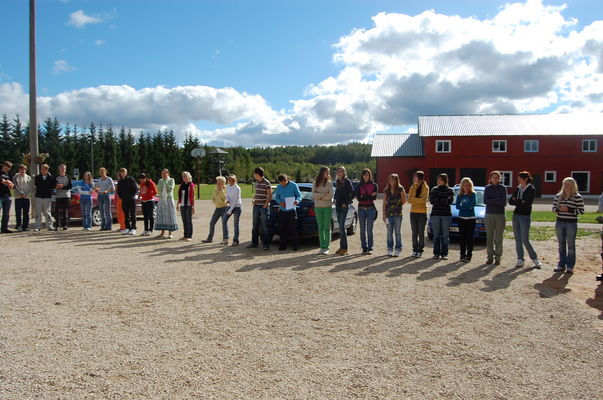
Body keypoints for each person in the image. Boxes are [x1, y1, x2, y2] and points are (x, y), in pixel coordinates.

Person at [509, 171, 542, 269]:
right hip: (516, 215)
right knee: (517, 239)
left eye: (520, 178)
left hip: (525, 216)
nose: (518, 180)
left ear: (525, 179)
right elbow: (511, 201)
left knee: (525, 239)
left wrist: (518, 201)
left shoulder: (531, 188)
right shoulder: (518, 188)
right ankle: (520, 259)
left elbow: (527, 203)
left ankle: (535, 259)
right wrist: (520, 201)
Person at [552, 177, 585, 274]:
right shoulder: (558, 196)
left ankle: (570, 266)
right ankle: (561, 264)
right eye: (564, 184)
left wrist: (569, 210)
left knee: (570, 245)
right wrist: (559, 209)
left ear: (572, 185)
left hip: (571, 222)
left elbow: (581, 211)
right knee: (561, 244)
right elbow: (553, 209)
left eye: (568, 184)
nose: (566, 186)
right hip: (560, 222)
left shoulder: (577, 197)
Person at [273, 174, 302, 251]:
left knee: (293, 229)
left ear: (286, 180)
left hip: (292, 210)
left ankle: (296, 246)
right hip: (282, 210)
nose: (282, 184)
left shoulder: (294, 185)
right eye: (281, 183)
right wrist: (280, 202)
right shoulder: (278, 187)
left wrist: (297, 200)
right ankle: (283, 245)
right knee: (282, 229)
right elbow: (276, 197)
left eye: (284, 182)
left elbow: (299, 195)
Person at [484, 170, 507, 265]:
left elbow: (503, 202)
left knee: (498, 237)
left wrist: (492, 200)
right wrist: (496, 200)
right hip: (489, 214)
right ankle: (490, 257)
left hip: (500, 214)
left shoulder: (503, 188)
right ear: (490, 178)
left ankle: (498, 257)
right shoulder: (487, 188)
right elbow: (486, 201)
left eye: (497, 177)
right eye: (493, 177)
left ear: (499, 178)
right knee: (489, 237)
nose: (495, 179)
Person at [429, 173, 454, 260]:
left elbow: (449, 201)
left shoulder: (450, 190)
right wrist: (443, 199)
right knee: (436, 235)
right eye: (438, 179)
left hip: (446, 215)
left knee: (445, 236)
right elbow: (432, 201)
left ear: (445, 180)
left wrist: (439, 199)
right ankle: (436, 253)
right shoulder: (434, 189)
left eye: (440, 179)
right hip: (435, 214)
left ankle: (444, 254)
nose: (439, 181)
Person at [247, 167, 272, 250]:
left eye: (254, 174)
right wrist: (253, 200)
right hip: (256, 206)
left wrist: (266, 204)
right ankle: (254, 243)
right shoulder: (257, 183)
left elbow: (270, 195)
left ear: (257, 174)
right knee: (255, 226)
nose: (254, 175)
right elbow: (256, 194)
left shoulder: (267, 182)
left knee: (264, 226)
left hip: (263, 207)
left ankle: (266, 244)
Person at [382, 173, 406, 257]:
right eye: (390, 179)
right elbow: (384, 203)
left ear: (397, 180)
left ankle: (398, 248)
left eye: (393, 179)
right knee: (389, 232)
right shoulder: (386, 190)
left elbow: (404, 200)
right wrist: (384, 215)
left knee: (397, 232)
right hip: (388, 215)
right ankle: (390, 248)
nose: (391, 181)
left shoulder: (400, 189)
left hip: (398, 215)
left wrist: (397, 207)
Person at [355, 168, 378, 255]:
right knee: (362, 230)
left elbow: (374, 198)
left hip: (371, 209)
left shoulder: (374, 185)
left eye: (367, 174)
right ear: (362, 176)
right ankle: (364, 248)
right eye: (364, 174)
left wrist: (364, 196)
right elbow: (358, 198)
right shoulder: (359, 186)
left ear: (370, 175)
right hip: (361, 209)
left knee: (369, 229)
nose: (366, 176)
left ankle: (370, 248)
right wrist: (369, 196)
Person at [312, 166, 334, 255]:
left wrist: (319, 196)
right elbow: (313, 195)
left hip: (327, 207)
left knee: (326, 227)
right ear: (322, 173)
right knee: (320, 228)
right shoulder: (315, 183)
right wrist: (323, 195)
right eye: (326, 172)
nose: (328, 174)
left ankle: (326, 247)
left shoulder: (330, 183)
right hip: (318, 207)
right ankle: (322, 247)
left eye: (328, 172)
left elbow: (330, 195)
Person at [334, 166, 355, 255]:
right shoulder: (338, 181)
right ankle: (342, 247)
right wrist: (334, 199)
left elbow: (353, 193)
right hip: (337, 207)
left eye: (341, 171)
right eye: (338, 171)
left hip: (344, 207)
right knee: (340, 228)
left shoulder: (347, 181)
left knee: (342, 227)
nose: (339, 173)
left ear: (344, 172)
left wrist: (346, 203)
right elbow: (337, 193)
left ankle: (345, 248)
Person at [408, 170, 429, 258]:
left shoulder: (425, 187)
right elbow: (409, 200)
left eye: (415, 177)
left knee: (421, 232)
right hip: (413, 212)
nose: (413, 178)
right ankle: (414, 249)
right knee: (414, 232)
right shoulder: (412, 187)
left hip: (422, 213)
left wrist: (414, 199)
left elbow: (423, 200)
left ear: (420, 178)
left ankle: (420, 250)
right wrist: (416, 199)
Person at [456, 177, 477, 263]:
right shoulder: (459, 195)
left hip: (471, 219)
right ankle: (462, 254)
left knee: (469, 238)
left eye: (468, 185)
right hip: (461, 218)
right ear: (462, 186)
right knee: (462, 238)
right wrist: (466, 206)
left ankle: (469, 255)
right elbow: (457, 206)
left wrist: (464, 205)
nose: (466, 187)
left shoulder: (473, 194)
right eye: (465, 185)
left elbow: (473, 204)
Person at [202, 176, 228, 244]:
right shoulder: (215, 189)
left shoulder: (226, 189)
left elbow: (225, 199)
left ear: (223, 183)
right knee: (212, 223)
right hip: (217, 208)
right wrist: (215, 202)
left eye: (219, 182)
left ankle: (225, 239)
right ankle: (210, 238)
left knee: (224, 223)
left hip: (224, 208)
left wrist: (221, 190)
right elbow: (213, 198)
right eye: (217, 182)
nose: (218, 184)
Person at [155, 168, 178, 239]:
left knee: (169, 215)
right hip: (161, 199)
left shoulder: (171, 180)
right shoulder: (160, 180)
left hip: (169, 199)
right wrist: (163, 182)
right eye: (162, 173)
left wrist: (166, 182)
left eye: (165, 173)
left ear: (168, 174)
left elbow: (170, 188)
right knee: (162, 215)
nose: (164, 175)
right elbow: (159, 188)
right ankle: (162, 233)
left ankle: (170, 233)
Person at [33, 164, 56, 231]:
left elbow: (53, 186)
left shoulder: (51, 177)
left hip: (47, 197)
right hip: (39, 196)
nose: (42, 170)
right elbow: (36, 186)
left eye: (43, 169)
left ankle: (49, 225)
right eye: (41, 169)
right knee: (38, 212)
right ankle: (37, 226)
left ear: (46, 169)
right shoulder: (37, 177)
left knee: (47, 211)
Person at [116, 168, 138, 235]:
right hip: (124, 200)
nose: (123, 174)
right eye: (122, 172)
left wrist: (132, 196)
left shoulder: (131, 179)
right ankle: (127, 228)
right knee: (126, 214)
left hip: (132, 200)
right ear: (120, 173)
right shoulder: (119, 182)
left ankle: (133, 228)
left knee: (133, 214)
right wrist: (122, 197)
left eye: (125, 172)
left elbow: (135, 189)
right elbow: (118, 191)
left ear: (126, 172)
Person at [13, 164, 33, 232]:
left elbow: (30, 187)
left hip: (26, 197)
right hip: (18, 197)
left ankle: (25, 226)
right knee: (18, 213)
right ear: (19, 170)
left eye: (23, 169)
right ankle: (18, 226)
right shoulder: (15, 177)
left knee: (26, 213)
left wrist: (25, 194)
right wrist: (20, 193)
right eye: (21, 169)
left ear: (25, 170)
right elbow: (15, 186)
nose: (22, 170)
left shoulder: (29, 177)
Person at [177, 171, 195, 241]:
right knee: (184, 221)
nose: (184, 177)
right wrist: (178, 204)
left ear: (189, 177)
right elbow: (180, 196)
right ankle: (185, 235)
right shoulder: (182, 185)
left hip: (188, 205)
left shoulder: (191, 185)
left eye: (185, 176)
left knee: (188, 221)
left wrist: (193, 207)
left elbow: (193, 197)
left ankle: (189, 236)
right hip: (182, 205)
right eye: (183, 176)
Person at [225, 174, 242, 246]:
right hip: (230, 206)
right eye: (229, 180)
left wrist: (230, 210)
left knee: (235, 224)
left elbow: (235, 201)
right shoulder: (228, 186)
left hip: (237, 207)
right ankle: (225, 238)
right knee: (224, 220)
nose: (230, 182)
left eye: (231, 180)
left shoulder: (237, 188)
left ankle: (235, 240)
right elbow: (227, 195)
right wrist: (227, 200)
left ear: (234, 181)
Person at [54, 163, 72, 230]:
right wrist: (56, 186)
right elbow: (53, 185)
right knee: (57, 211)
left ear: (65, 169)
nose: (62, 170)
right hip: (58, 196)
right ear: (59, 169)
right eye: (61, 168)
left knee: (65, 211)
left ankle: (65, 225)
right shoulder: (56, 177)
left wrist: (62, 186)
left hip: (66, 196)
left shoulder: (68, 177)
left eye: (63, 168)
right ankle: (58, 225)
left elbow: (70, 186)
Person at [0, 161, 14, 233]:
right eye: (7, 167)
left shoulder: (9, 175)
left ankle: (4, 228)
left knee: (6, 214)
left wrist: (8, 183)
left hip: (7, 195)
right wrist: (7, 182)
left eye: (9, 168)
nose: (7, 169)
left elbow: (11, 186)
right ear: (3, 165)